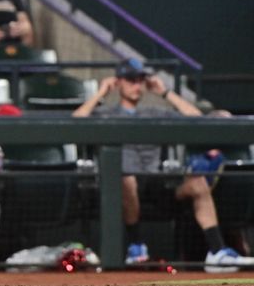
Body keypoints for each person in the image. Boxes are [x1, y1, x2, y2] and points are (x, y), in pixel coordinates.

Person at [73, 58, 254, 272]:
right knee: (126, 178)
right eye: (131, 80)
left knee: (196, 183)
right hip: (120, 185)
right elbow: (75, 121)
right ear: (119, 82)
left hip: (156, 183)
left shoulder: (154, 112)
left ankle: (217, 252)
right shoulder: (105, 112)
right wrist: (101, 93)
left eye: (140, 80)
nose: (136, 85)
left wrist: (165, 93)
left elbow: (197, 119)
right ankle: (136, 245)